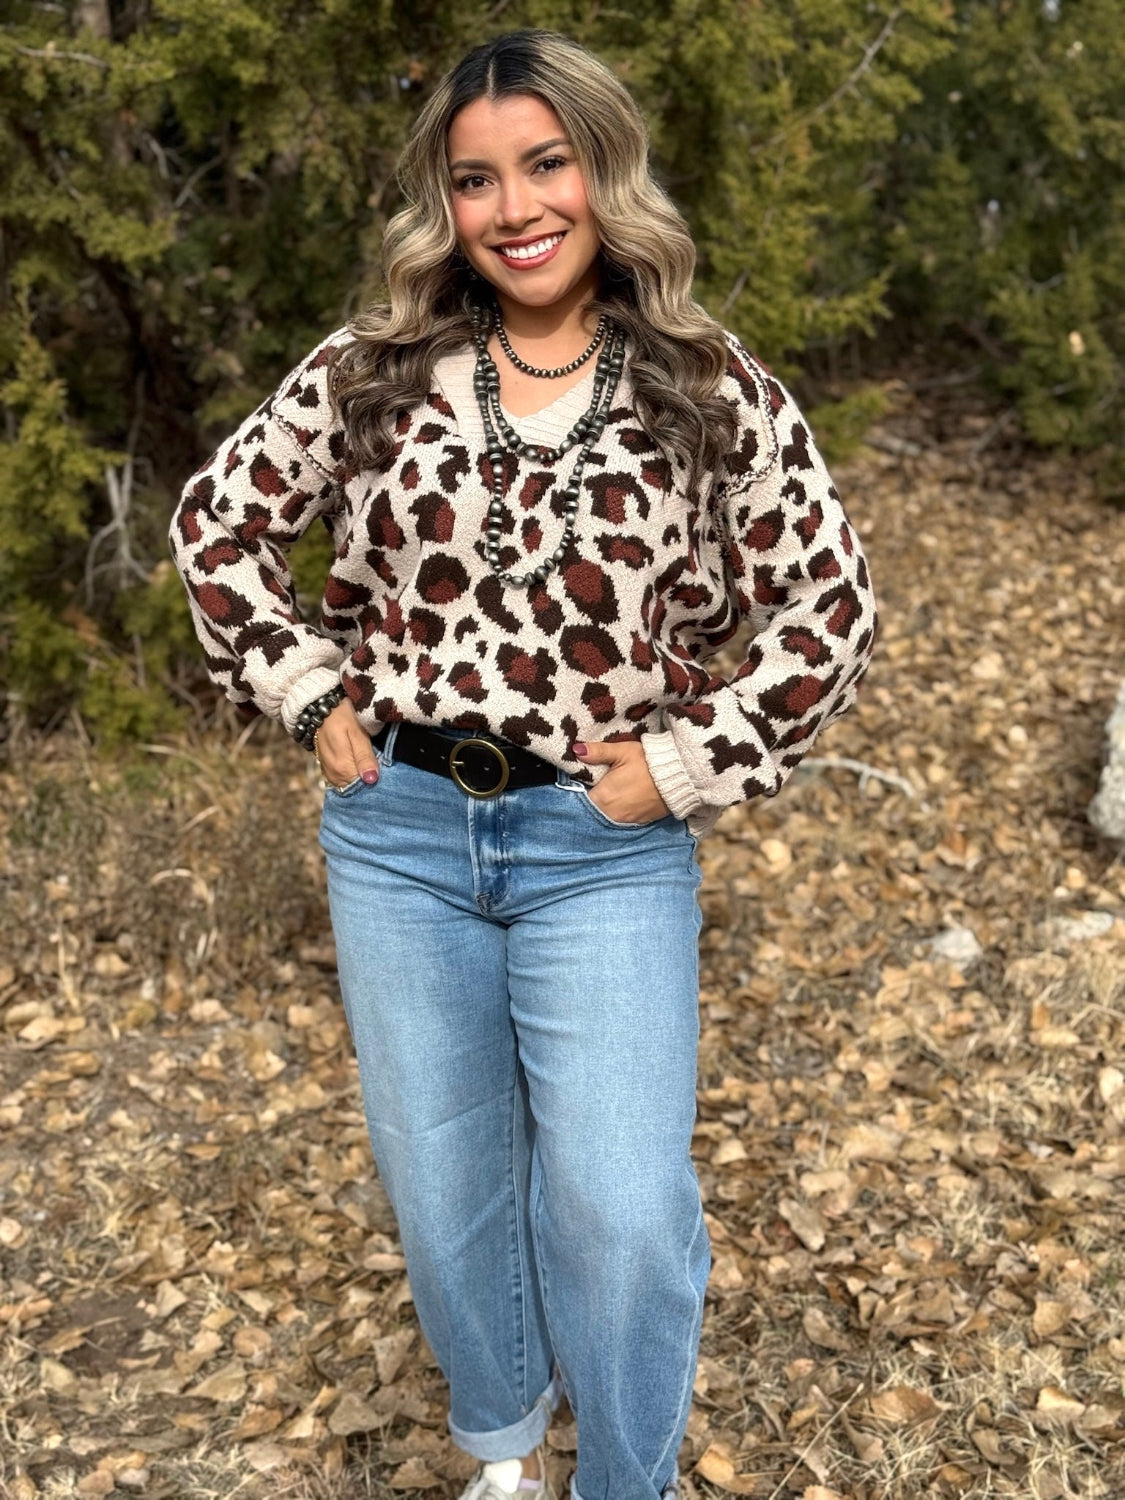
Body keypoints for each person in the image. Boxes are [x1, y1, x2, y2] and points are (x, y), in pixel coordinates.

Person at [169, 28, 877, 1500]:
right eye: (476, 178)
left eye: (545, 164)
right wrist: (306, 691)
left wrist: (687, 763)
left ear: (603, 169)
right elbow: (214, 527)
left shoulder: (704, 385)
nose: (515, 208)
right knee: (446, 1190)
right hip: (400, 834)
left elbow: (833, 607)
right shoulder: (372, 371)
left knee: (619, 1205)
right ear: (445, 201)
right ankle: (500, 1448)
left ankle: (623, 1481)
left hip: (598, 845)